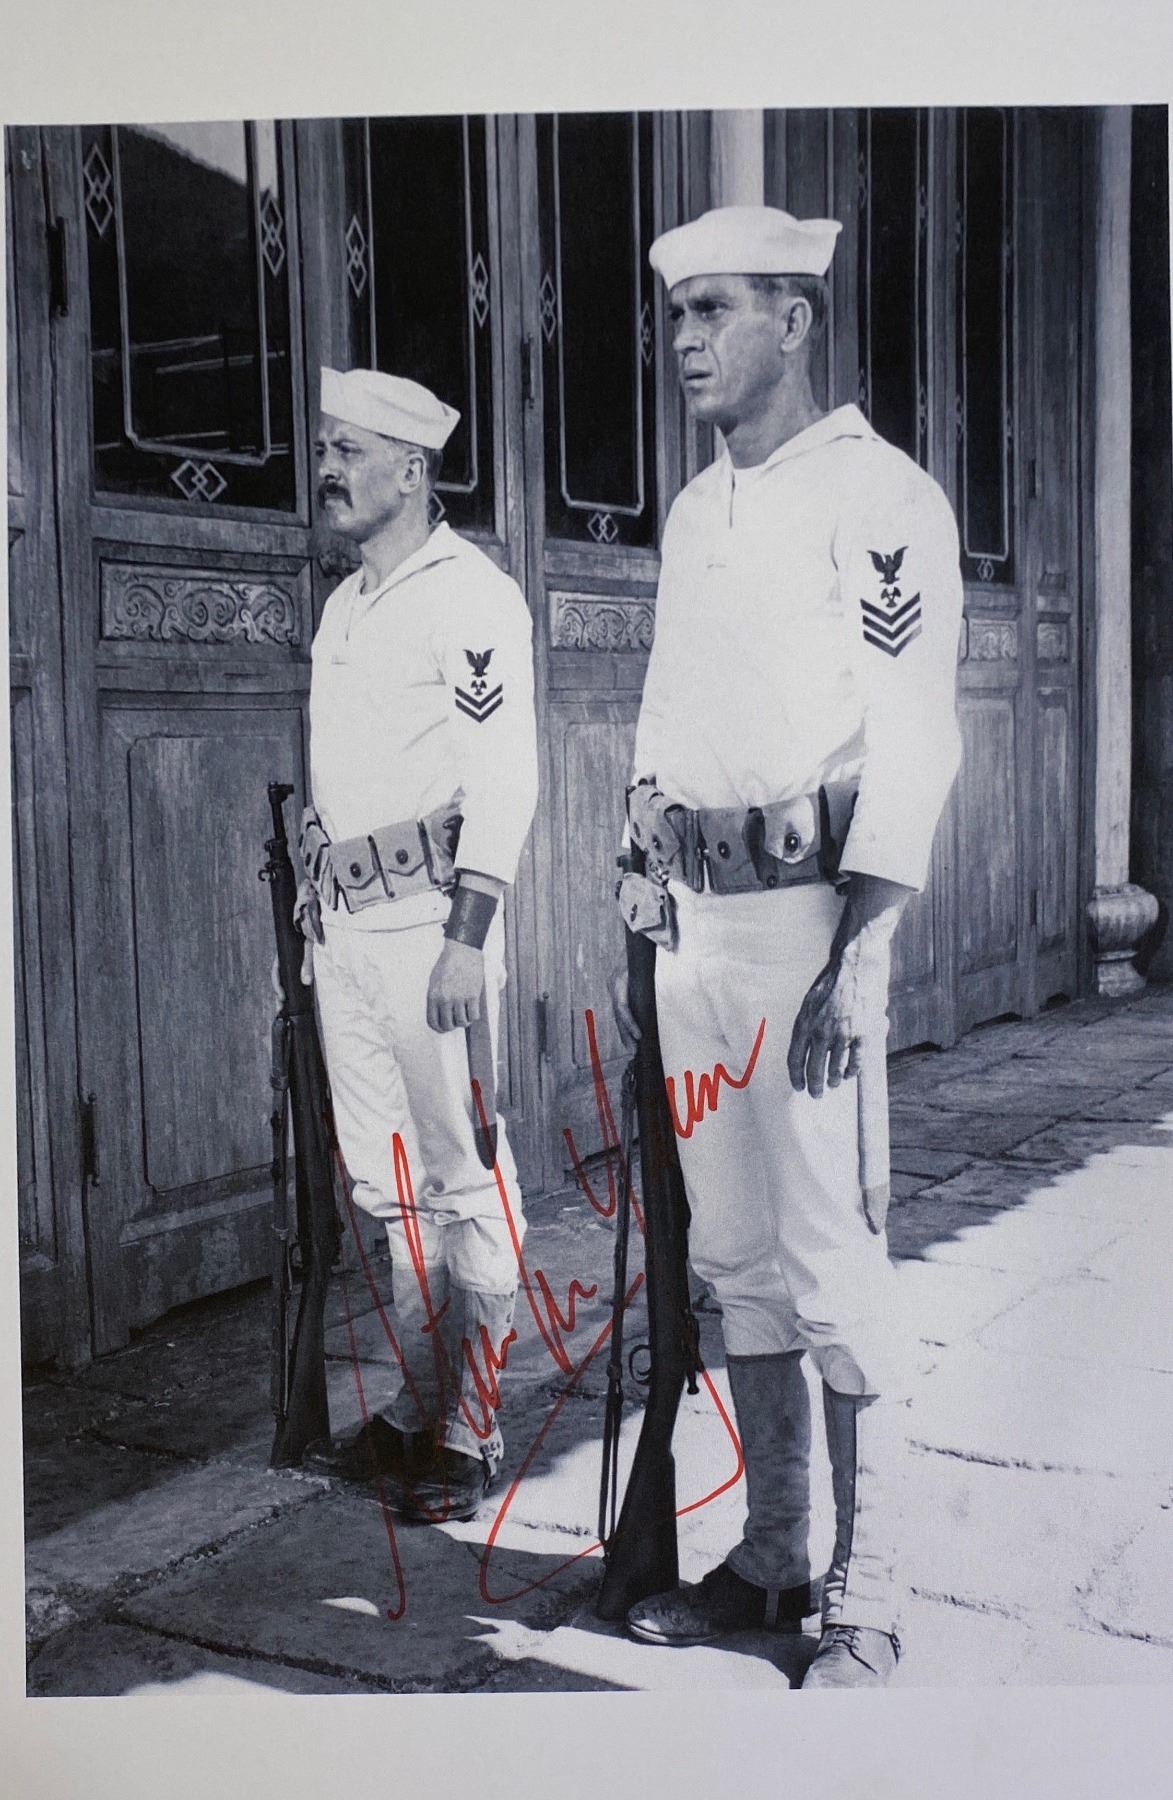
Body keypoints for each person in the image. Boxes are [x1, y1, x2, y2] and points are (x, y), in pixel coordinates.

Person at [610, 206, 963, 1687]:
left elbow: (913, 731)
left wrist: (866, 949)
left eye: (717, 311)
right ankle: (771, 1553)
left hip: (813, 929)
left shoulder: (881, 497)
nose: (685, 340)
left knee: (832, 1253)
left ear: (796, 320)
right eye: (678, 315)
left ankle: (866, 1581)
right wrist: (641, 852)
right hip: (698, 930)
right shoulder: (699, 511)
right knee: (735, 1253)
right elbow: (663, 708)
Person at [298, 366, 538, 1522]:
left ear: (412, 468)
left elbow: (505, 776)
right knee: (386, 1187)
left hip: (434, 930)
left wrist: (468, 938)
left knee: (465, 1182)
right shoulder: (344, 607)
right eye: (323, 449)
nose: (327, 470)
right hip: (346, 932)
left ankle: (472, 1430)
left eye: (348, 451)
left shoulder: (471, 597)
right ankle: (418, 1404)